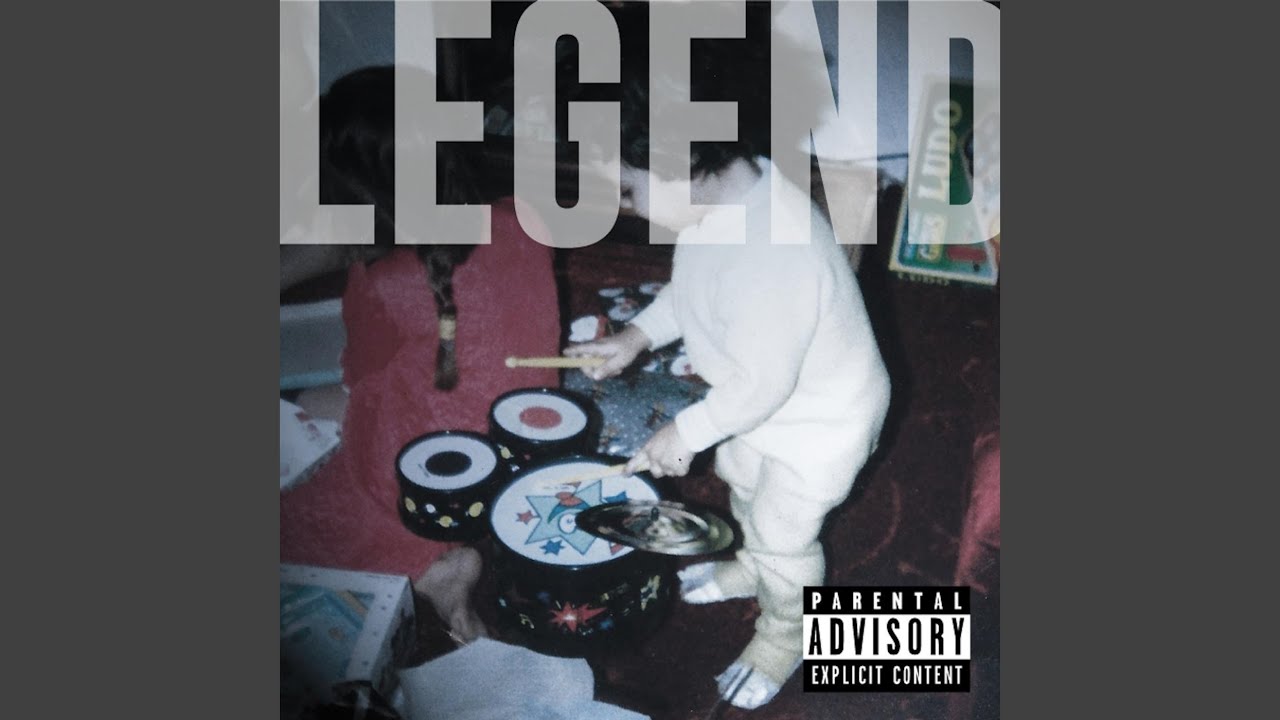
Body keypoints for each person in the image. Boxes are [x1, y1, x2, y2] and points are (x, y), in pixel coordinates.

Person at [562, 6, 892, 708]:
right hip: (764, 401)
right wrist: (637, 336)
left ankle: (787, 631)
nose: (624, 207)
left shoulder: (773, 256)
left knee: (782, 533)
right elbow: (691, 293)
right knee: (741, 481)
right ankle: (750, 566)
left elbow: (761, 386)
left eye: (627, 189)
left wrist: (683, 431)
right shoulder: (720, 202)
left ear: (678, 160)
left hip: (820, 424)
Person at [280, 64, 563, 644]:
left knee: (295, 515)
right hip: (527, 445)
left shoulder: (381, 279)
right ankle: (438, 562)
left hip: (427, 476)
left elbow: (358, 379)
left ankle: (427, 563)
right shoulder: (525, 218)